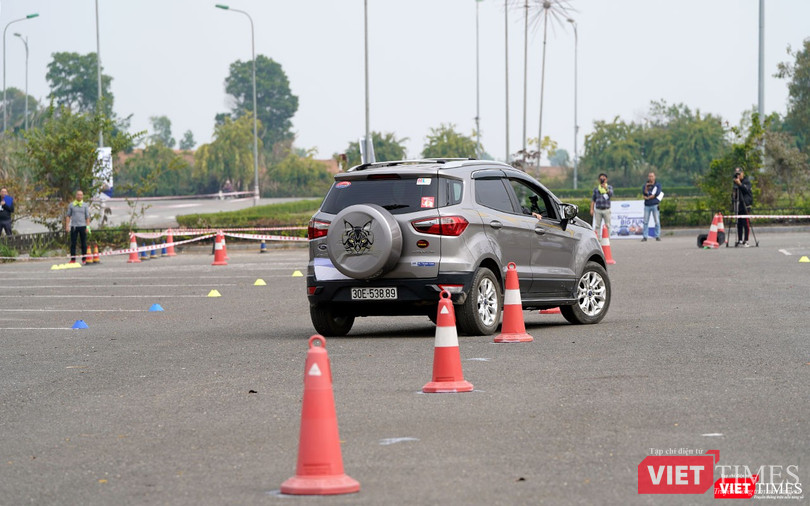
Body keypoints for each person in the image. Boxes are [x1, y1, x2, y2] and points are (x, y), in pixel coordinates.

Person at [66, 190, 91, 263]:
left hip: (83, 226)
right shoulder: (71, 205)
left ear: (82, 196)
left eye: (81, 195)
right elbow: (68, 216)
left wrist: (88, 227)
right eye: (78, 195)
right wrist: (67, 226)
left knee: (84, 243)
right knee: (73, 243)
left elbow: (87, 217)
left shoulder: (85, 205)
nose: (79, 196)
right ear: (76, 195)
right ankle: (73, 259)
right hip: (74, 226)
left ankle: (84, 258)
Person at [733, 167, 753, 247]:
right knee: (739, 223)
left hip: (746, 204)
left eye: (739, 174)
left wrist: (740, 184)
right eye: (736, 174)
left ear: (742, 173)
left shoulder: (746, 181)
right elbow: (734, 193)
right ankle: (740, 240)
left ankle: (746, 240)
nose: (738, 176)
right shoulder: (735, 183)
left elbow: (746, 190)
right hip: (739, 204)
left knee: (746, 222)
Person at [641, 172, 662, 242]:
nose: (651, 178)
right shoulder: (645, 185)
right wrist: (646, 188)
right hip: (647, 205)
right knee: (646, 221)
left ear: (654, 177)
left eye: (652, 176)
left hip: (655, 204)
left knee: (656, 221)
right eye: (649, 176)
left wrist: (650, 197)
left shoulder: (657, 185)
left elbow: (657, 193)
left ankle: (657, 236)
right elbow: (644, 193)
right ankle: (645, 236)